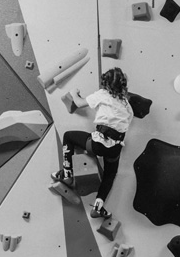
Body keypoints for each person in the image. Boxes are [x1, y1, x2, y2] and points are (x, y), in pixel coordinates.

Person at [51, 67, 134, 217]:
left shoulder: (103, 94)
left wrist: (74, 92)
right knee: (110, 174)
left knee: (68, 136)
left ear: (106, 84)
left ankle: (67, 173)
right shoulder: (127, 105)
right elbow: (126, 123)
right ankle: (98, 206)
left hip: (97, 144)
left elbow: (79, 102)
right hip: (115, 149)